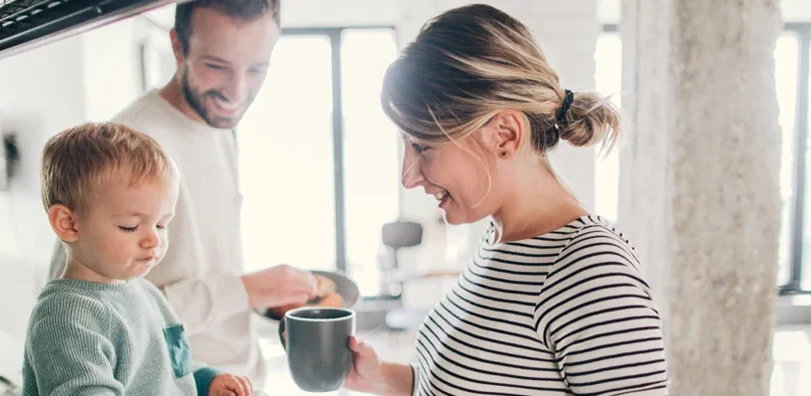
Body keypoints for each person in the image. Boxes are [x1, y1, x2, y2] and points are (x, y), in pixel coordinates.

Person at [344, 4, 669, 396]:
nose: (408, 176)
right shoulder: (500, 241)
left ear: (505, 136)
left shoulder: (591, 272)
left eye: (423, 146)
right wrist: (379, 377)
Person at [48, 0, 318, 385]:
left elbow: (200, 267)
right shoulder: (132, 144)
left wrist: (260, 301)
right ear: (178, 47)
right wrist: (243, 289)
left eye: (257, 69)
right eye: (216, 66)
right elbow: (89, 312)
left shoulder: (218, 127)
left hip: (236, 381)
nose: (236, 92)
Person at [24, 123, 253, 396]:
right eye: (130, 227)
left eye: (161, 225)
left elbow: (174, 369)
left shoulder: (145, 292)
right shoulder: (65, 319)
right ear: (69, 224)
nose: (153, 240)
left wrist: (206, 382)